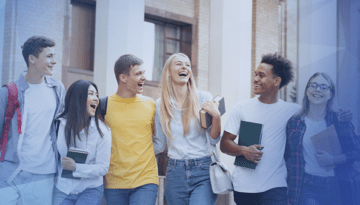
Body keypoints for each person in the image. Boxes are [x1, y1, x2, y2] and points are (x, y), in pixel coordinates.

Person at [220, 53, 298, 205]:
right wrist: (243, 150)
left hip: (275, 187)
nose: (255, 79)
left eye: (261, 75)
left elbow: (320, 114)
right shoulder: (242, 108)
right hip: (243, 188)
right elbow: (224, 144)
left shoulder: (292, 111)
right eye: (255, 75)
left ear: (277, 81)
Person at [0, 36, 65, 204]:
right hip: (11, 172)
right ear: (32, 59)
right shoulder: (9, 92)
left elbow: (62, 128)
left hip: (44, 173)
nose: (54, 61)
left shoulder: (57, 89)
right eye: (49, 56)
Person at [153, 53, 221, 205]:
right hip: (175, 172)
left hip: (203, 169)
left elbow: (213, 139)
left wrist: (216, 117)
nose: (184, 67)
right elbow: (159, 144)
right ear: (168, 72)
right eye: (179, 64)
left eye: (188, 65)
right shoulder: (160, 105)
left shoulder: (203, 98)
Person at [286, 72, 360, 205]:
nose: (318, 89)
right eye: (313, 85)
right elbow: (287, 155)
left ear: (330, 94)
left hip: (339, 185)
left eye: (323, 87)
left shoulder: (339, 119)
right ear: (307, 91)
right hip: (308, 186)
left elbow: (356, 152)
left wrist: (333, 159)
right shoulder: (295, 122)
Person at [103, 54, 159, 205]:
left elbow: (158, 138)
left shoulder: (150, 105)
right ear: (123, 77)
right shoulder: (104, 106)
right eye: (138, 74)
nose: (144, 78)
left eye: (143, 73)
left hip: (145, 180)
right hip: (114, 182)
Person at [52, 80, 111, 205]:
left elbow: (103, 167)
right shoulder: (58, 125)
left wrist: (76, 167)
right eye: (91, 94)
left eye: (97, 95)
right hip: (63, 188)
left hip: (90, 189)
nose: (96, 99)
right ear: (78, 98)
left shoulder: (102, 131)